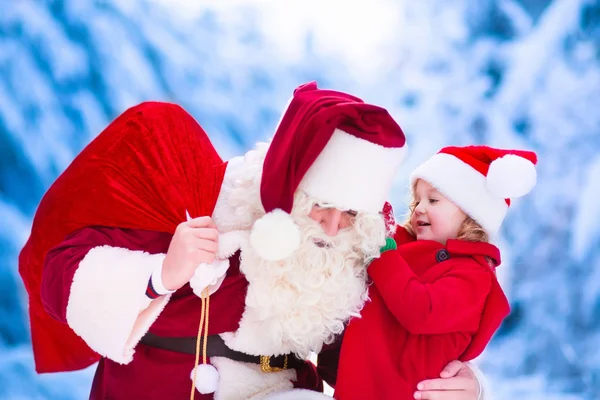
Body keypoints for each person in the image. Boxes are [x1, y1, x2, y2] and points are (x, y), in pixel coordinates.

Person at [19, 82, 485, 399]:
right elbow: (60, 276)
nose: (331, 226)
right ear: (291, 187)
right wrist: (160, 273)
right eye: (321, 203)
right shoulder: (209, 205)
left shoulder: (350, 257)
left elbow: (379, 358)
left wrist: (461, 384)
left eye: (349, 213)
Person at [334, 145, 538, 399]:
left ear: (471, 214)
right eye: (416, 200)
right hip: (361, 385)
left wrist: (382, 251)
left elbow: (421, 310)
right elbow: (383, 231)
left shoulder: (473, 275)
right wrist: (369, 214)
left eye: (433, 200)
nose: (419, 208)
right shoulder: (411, 248)